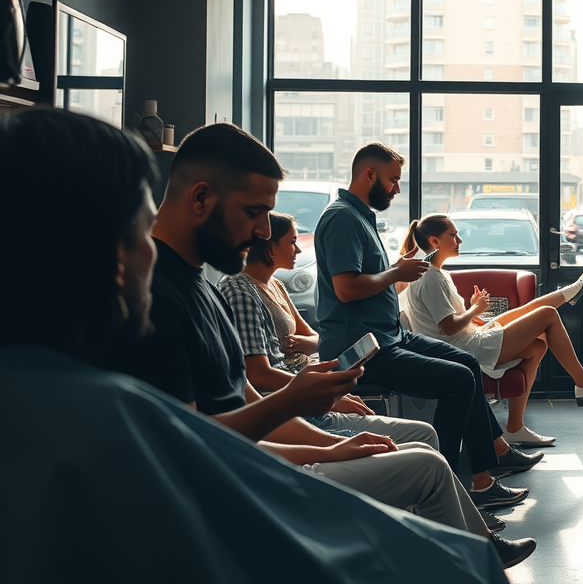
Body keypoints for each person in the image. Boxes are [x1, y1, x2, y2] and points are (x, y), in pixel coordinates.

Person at [0, 108, 507, 582]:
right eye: (140, 228)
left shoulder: (205, 291)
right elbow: (203, 446)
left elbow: (236, 404)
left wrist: (328, 440)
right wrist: (307, 420)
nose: (266, 231)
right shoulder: (117, 395)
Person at [314, 142, 540, 511]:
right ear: (369, 174)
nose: (397, 189)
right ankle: (447, 485)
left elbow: (366, 280)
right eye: (392, 180)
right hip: (363, 347)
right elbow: (347, 288)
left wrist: (396, 275)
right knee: (457, 381)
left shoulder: (359, 216)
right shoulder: (342, 218)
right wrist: (395, 273)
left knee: (467, 365)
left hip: (387, 335)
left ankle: (485, 474)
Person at [219, 211, 441, 448]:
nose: (298, 250)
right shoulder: (240, 290)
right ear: (271, 249)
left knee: (424, 434)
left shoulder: (275, 284)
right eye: (292, 242)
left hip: (308, 388)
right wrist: (328, 397)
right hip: (296, 405)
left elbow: (313, 337)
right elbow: (258, 374)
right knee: (423, 437)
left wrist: (322, 377)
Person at [401, 214, 583, 446]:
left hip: (467, 338)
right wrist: (475, 310)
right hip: (462, 349)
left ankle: (515, 428)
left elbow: (447, 321)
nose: (459, 241)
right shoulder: (431, 277)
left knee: (537, 345)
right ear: (435, 241)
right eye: (453, 235)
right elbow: (449, 326)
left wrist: (474, 311)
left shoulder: (436, 273)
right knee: (547, 315)